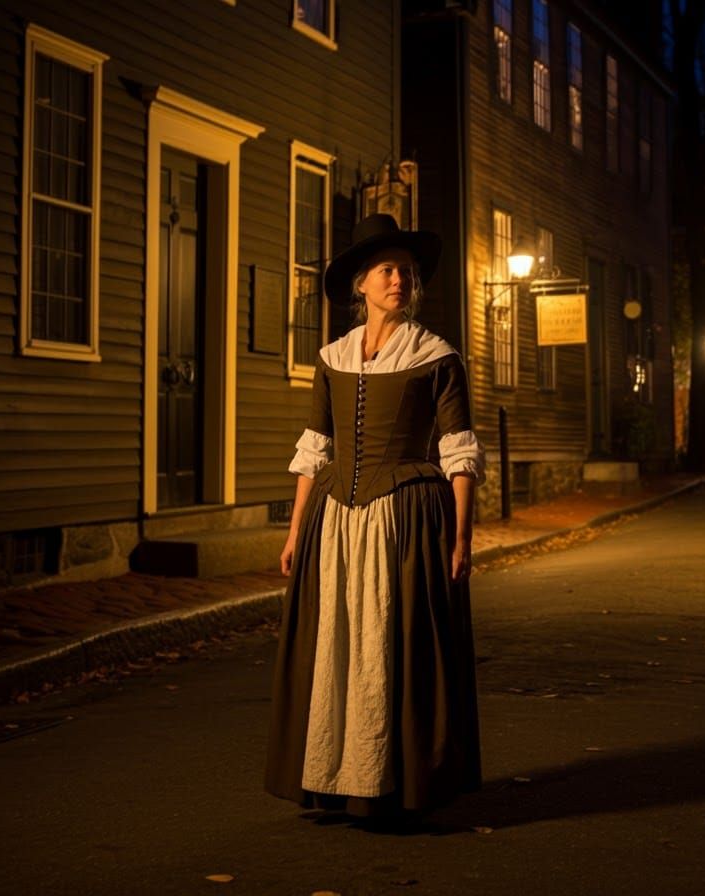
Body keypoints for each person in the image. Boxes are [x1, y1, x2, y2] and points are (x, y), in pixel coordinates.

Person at [264, 213, 485, 821]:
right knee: (337, 643)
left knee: (390, 645)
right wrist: (294, 530)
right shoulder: (332, 357)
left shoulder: (437, 356)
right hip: (333, 522)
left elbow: (457, 451)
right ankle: (333, 777)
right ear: (360, 284)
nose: (400, 281)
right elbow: (316, 446)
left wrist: (462, 538)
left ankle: (391, 780)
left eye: (408, 273)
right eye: (389, 270)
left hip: (407, 520)